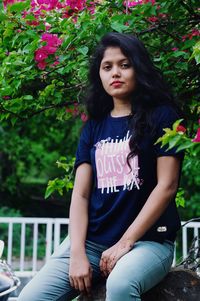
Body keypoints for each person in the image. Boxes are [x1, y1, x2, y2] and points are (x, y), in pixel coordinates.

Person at [18, 32, 184, 301]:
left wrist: (125, 242)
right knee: (30, 298)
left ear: (138, 68)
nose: (115, 73)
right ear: (99, 75)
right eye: (107, 67)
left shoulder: (163, 115)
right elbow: (81, 194)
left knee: (120, 285)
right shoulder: (94, 124)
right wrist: (76, 254)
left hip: (149, 243)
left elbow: (167, 186)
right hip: (93, 243)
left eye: (124, 65)